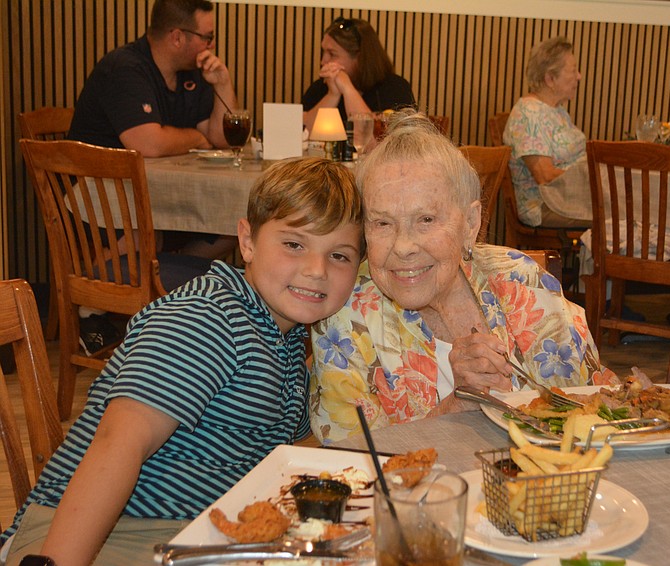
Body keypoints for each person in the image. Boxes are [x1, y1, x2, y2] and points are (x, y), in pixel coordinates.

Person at [2, 157, 363, 566]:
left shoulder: (289, 334)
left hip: (191, 531)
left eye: (339, 256)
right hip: (102, 530)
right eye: (294, 244)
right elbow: (119, 443)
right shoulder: (207, 317)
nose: (316, 270)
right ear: (246, 241)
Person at [309, 110, 617, 444]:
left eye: (425, 219)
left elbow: (601, 406)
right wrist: (454, 405)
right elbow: (350, 456)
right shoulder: (346, 318)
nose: (403, 246)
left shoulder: (524, 282)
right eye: (382, 223)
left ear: (470, 224)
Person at [68, 0, 239, 260]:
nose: (211, 45)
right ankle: (112, 293)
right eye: (208, 37)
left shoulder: (192, 72)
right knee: (145, 236)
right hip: (98, 205)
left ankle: (179, 290)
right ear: (177, 37)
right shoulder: (125, 69)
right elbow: (148, 143)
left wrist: (223, 84)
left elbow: (220, 138)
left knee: (232, 227)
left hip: (156, 203)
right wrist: (195, 137)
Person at [502, 36, 589, 228]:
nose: (579, 76)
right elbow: (545, 176)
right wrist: (593, 180)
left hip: (571, 199)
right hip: (546, 205)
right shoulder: (529, 115)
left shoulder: (556, 110)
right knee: (620, 217)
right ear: (550, 78)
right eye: (573, 70)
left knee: (629, 210)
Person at [302, 16, 416, 131]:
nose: (323, 61)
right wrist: (332, 95)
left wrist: (347, 88)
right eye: (324, 51)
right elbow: (303, 132)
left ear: (359, 58)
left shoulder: (395, 88)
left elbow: (368, 137)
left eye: (332, 54)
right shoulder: (322, 87)